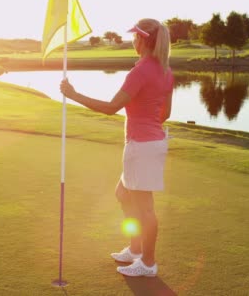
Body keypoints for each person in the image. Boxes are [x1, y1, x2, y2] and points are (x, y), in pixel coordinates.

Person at [60, 18, 173, 277]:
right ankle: (135, 250)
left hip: (141, 147)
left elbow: (111, 108)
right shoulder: (165, 71)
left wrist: (73, 94)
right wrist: (146, 124)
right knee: (123, 195)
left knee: (145, 208)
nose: (132, 40)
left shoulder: (141, 71)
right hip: (151, 143)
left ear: (143, 40)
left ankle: (148, 263)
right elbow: (165, 113)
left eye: (135, 37)